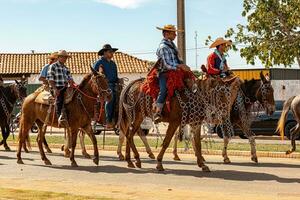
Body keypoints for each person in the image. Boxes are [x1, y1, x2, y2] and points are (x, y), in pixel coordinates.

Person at [154, 24, 190, 122]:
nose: (175, 35)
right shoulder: (163, 47)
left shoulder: (172, 45)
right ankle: (158, 112)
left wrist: (183, 66)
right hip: (164, 73)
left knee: (189, 84)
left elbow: (178, 59)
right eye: (173, 33)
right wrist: (179, 66)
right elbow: (167, 64)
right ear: (166, 34)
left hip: (176, 72)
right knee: (164, 90)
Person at [93, 44, 119, 129]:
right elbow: (94, 75)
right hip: (104, 87)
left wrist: (119, 80)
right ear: (104, 53)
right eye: (110, 52)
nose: (112, 53)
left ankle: (119, 118)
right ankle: (108, 120)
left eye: (112, 52)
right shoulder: (99, 62)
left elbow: (115, 76)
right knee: (110, 99)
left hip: (114, 84)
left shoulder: (113, 64)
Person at [47, 50, 74, 126]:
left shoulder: (66, 68)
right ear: (58, 57)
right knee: (60, 99)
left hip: (65, 87)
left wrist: (72, 84)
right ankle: (60, 118)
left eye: (66, 57)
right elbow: (50, 79)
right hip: (56, 88)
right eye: (63, 57)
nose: (65, 59)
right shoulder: (53, 66)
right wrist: (55, 89)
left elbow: (70, 79)